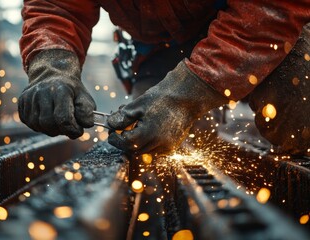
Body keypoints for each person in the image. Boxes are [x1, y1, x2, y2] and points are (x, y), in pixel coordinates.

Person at [18, 1, 310, 156]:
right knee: (156, 145)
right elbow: (57, 6)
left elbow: (272, 8)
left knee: (301, 112)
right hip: (159, 45)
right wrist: (52, 66)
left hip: (260, 25)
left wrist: (184, 97)